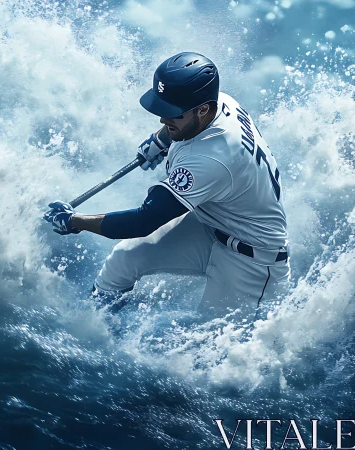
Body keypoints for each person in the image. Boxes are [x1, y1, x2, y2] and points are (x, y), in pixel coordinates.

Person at [44, 52, 290, 320]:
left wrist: (73, 221)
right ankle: (96, 328)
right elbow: (184, 127)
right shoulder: (219, 101)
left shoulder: (211, 159)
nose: (163, 120)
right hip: (211, 226)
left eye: (172, 115)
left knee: (212, 348)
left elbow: (143, 222)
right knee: (125, 259)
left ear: (203, 109)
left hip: (252, 262)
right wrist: (161, 140)